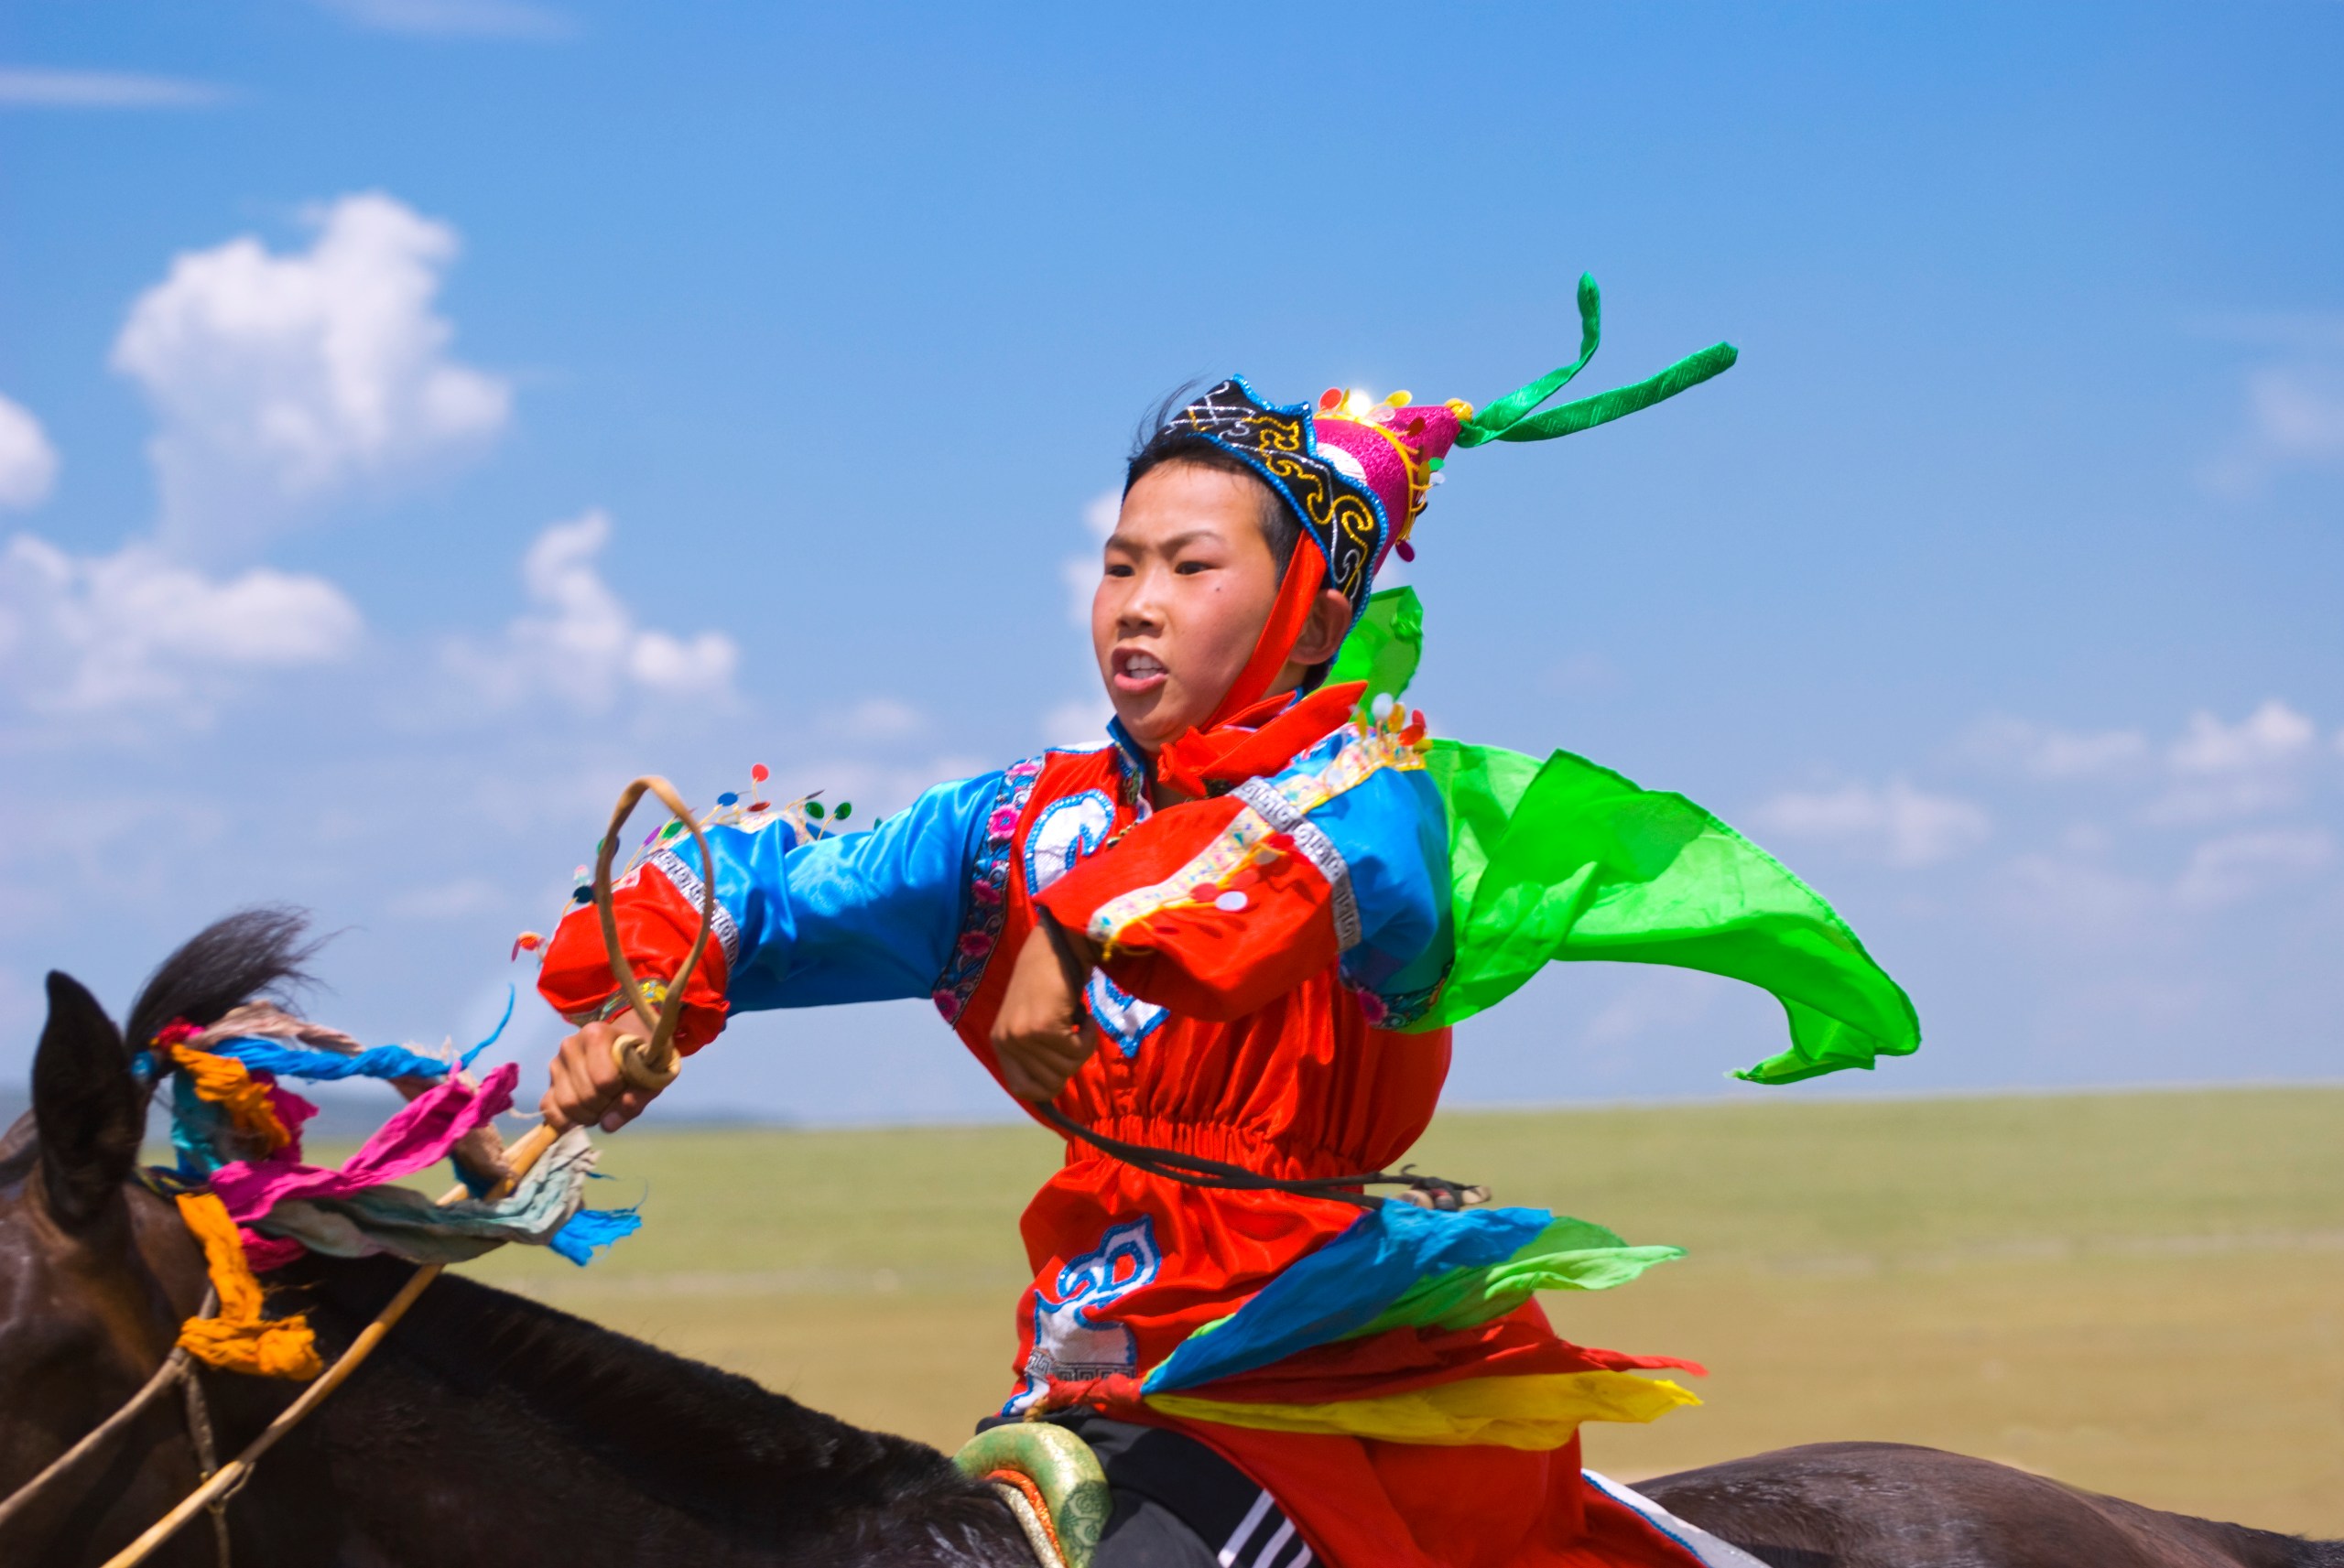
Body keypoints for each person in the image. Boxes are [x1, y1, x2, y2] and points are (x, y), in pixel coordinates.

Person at [531, 281, 1920, 1568]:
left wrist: (1073, 931)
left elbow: (1284, 879)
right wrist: (642, 1002)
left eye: (1191, 567)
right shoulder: (1012, 825)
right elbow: (766, 887)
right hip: (1092, 1366)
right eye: (1118, 562)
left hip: (1321, 1380)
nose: (1137, 605)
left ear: (1312, 613)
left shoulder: (1383, 793)